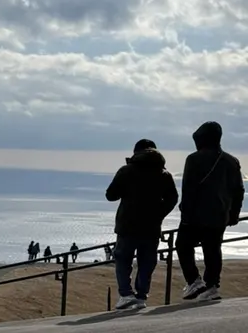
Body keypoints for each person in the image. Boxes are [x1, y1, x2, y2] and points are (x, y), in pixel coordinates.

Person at [104, 138, 178, 311]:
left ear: (136, 152)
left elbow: (111, 195)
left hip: (127, 225)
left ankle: (126, 294)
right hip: (151, 227)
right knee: (146, 261)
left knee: (123, 259)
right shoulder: (164, 174)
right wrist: (158, 214)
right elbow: (172, 198)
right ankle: (141, 295)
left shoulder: (127, 170)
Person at [176, 121, 244, 302]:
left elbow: (188, 189)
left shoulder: (193, 159)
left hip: (195, 215)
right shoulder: (231, 161)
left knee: (182, 245)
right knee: (213, 250)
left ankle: (194, 281)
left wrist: (186, 215)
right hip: (220, 215)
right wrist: (234, 214)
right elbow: (238, 191)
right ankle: (212, 286)